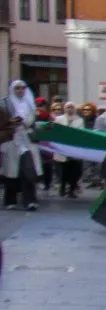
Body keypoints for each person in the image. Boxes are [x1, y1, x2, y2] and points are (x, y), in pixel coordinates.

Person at [2, 80, 42, 211]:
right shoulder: (5, 103)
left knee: (29, 171)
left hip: (27, 141)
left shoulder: (30, 103)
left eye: (22, 88)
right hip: (11, 141)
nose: (20, 90)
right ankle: (10, 200)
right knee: (11, 173)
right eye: (17, 88)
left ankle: (30, 201)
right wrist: (11, 122)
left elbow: (34, 123)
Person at [54, 103, 90, 199]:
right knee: (63, 170)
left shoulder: (79, 120)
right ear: (64, 109)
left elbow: (81, 132)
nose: (70, 109)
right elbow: (56, 132)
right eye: (68, 107)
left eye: (72, 107)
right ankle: (62, 187)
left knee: (75, 170)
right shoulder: (59, 119)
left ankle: (72, 189)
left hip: (74, 148)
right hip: (62, 148)